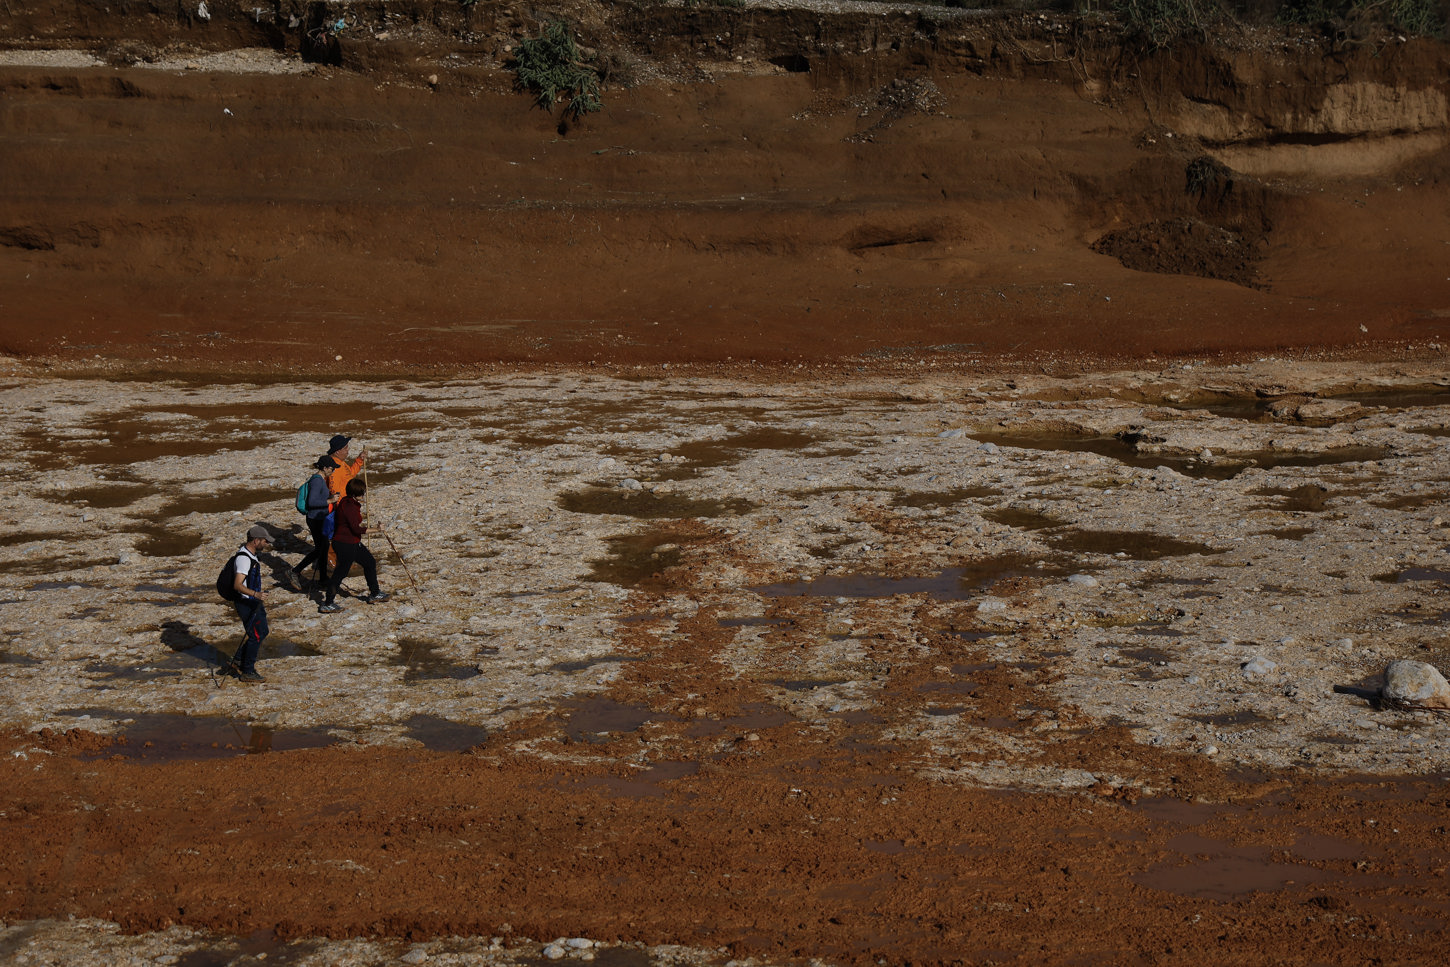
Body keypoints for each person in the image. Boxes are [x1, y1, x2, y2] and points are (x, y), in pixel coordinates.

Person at [319, 477, 389, 613]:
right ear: (355, 494)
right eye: (362, 493)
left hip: (353, 542)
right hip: (345, 544)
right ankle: (327, 603)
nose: (363, 495)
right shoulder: (349, 507)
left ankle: (375, 593)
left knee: (369, 562)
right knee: (341, 572)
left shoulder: (348, 501)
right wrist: (377, 530)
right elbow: (356, 529)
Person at [220, 524, 272, 684]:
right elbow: (237, 585)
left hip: (253, 601)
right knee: (255, 635)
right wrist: (256, 594)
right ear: (256, 541)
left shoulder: (251, 555)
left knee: (262, 631)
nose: (267, 544)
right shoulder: (243, 559)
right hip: (246, 602)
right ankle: (248, 671)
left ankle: (237, 660)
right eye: (265, 541)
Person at [290, 455, 335, 592]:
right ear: (325, 468)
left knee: (323, 547)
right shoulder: (317, 481)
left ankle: (323, 578)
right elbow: (312, 502)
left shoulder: (319, 480)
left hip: (318, 518)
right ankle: (295, 571)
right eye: (332, 468)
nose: (333, 471)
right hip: (315, 519)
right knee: (320, 548)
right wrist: (330, 501)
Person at [324, 434, 367, 504]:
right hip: (342, 504)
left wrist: (360, 459)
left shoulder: (340, 462)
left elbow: (350, 474)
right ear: (337, 451)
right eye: (345, 448)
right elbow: (334, 491)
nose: (348, 449)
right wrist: (342, 507)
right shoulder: (334, 466)